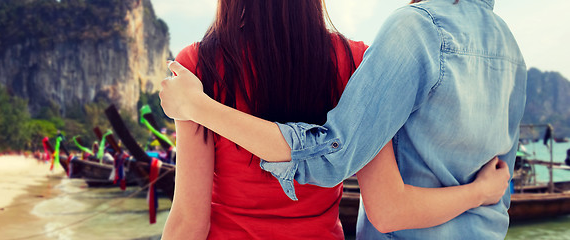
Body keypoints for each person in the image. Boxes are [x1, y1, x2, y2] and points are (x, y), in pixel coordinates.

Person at [160, 0, 512, 239]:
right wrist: (480, 192)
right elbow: (388, 206)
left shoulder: (200, 67)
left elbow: (189, 221)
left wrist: (196, 104)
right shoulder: (353, 61)